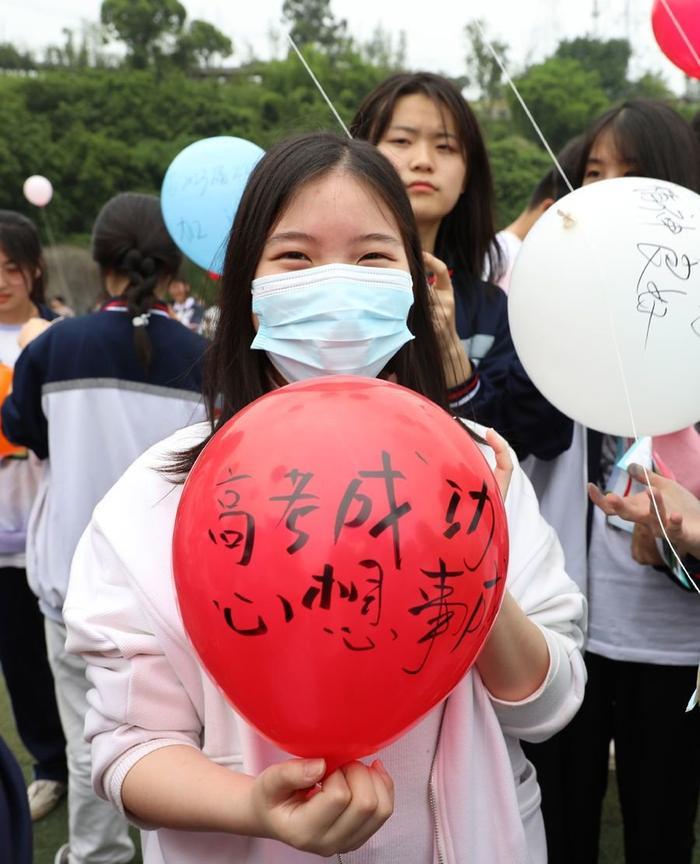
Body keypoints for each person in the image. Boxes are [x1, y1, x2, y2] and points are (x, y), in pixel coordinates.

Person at [61, 133, 586, 864]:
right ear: (248, 290)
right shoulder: (159, 493)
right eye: (295, 258)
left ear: (414, 284)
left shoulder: (479, 468)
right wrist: (253, 807)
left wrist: (475, 559)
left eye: (372, 257)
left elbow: (548, 705)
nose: (335, 281)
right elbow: (128, 749)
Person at [2, 193, 208, 864]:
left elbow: (23, 432)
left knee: (92, 739)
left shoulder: (54, 348)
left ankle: (96, 854)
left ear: (100, 263)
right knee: (190, 744)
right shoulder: (207, 359)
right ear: (172, 265)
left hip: (76, 583)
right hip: (181, 592)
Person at [524, 100, 700, 864]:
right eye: (593, 173)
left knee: (661, 829)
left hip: (674, 645)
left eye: (632, 173)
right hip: (571, 633)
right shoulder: (551, 304)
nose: (607, 191)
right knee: (560, 827)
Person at [0, 210, 69, 822]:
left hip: (48, 534)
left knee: (67, 660)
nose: (2, 281)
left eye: (11, 267)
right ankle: (50, 767)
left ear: (35, 269)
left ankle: (85, 763)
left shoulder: (57, 338)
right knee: (19, 662)